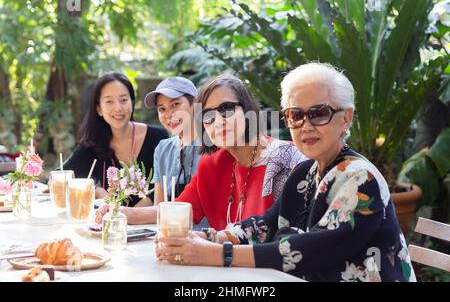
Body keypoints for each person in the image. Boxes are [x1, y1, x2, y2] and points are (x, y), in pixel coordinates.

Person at [155, 63, 416, 282]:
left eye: (319, 113)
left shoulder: (360, 178)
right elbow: (266, 225)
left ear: (345, 118)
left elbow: (311, 250)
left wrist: (216, 253)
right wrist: (207, 236)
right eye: (295, 115)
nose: (306, 125)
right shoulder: (306, 172)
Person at [95, 74, 305, 228]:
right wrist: (119, 212)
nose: (218, 121)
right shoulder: (210, 165)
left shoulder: (286, 159)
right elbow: (176, 212)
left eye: (227, 109)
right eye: (208, 114)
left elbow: (289, 241)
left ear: (247, 109)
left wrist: (212, 248)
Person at [64, 72, 168, 206]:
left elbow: (166, 189)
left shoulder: (158, 137)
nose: (118, 108)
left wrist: (129, 215)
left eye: (124, 100)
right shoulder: (92, 143)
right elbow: (60, 177)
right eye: (109, 101)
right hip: (110, 224)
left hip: (151, 224)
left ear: (132, 103)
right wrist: (96, 189)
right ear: (99, 109)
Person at [145, 77, 202, 204]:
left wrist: (125, 213)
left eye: (175, 104)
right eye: (162, 109)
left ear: (195, 103)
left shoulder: (214, 145)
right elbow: (158, 209)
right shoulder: (162, 148)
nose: (168, 114)